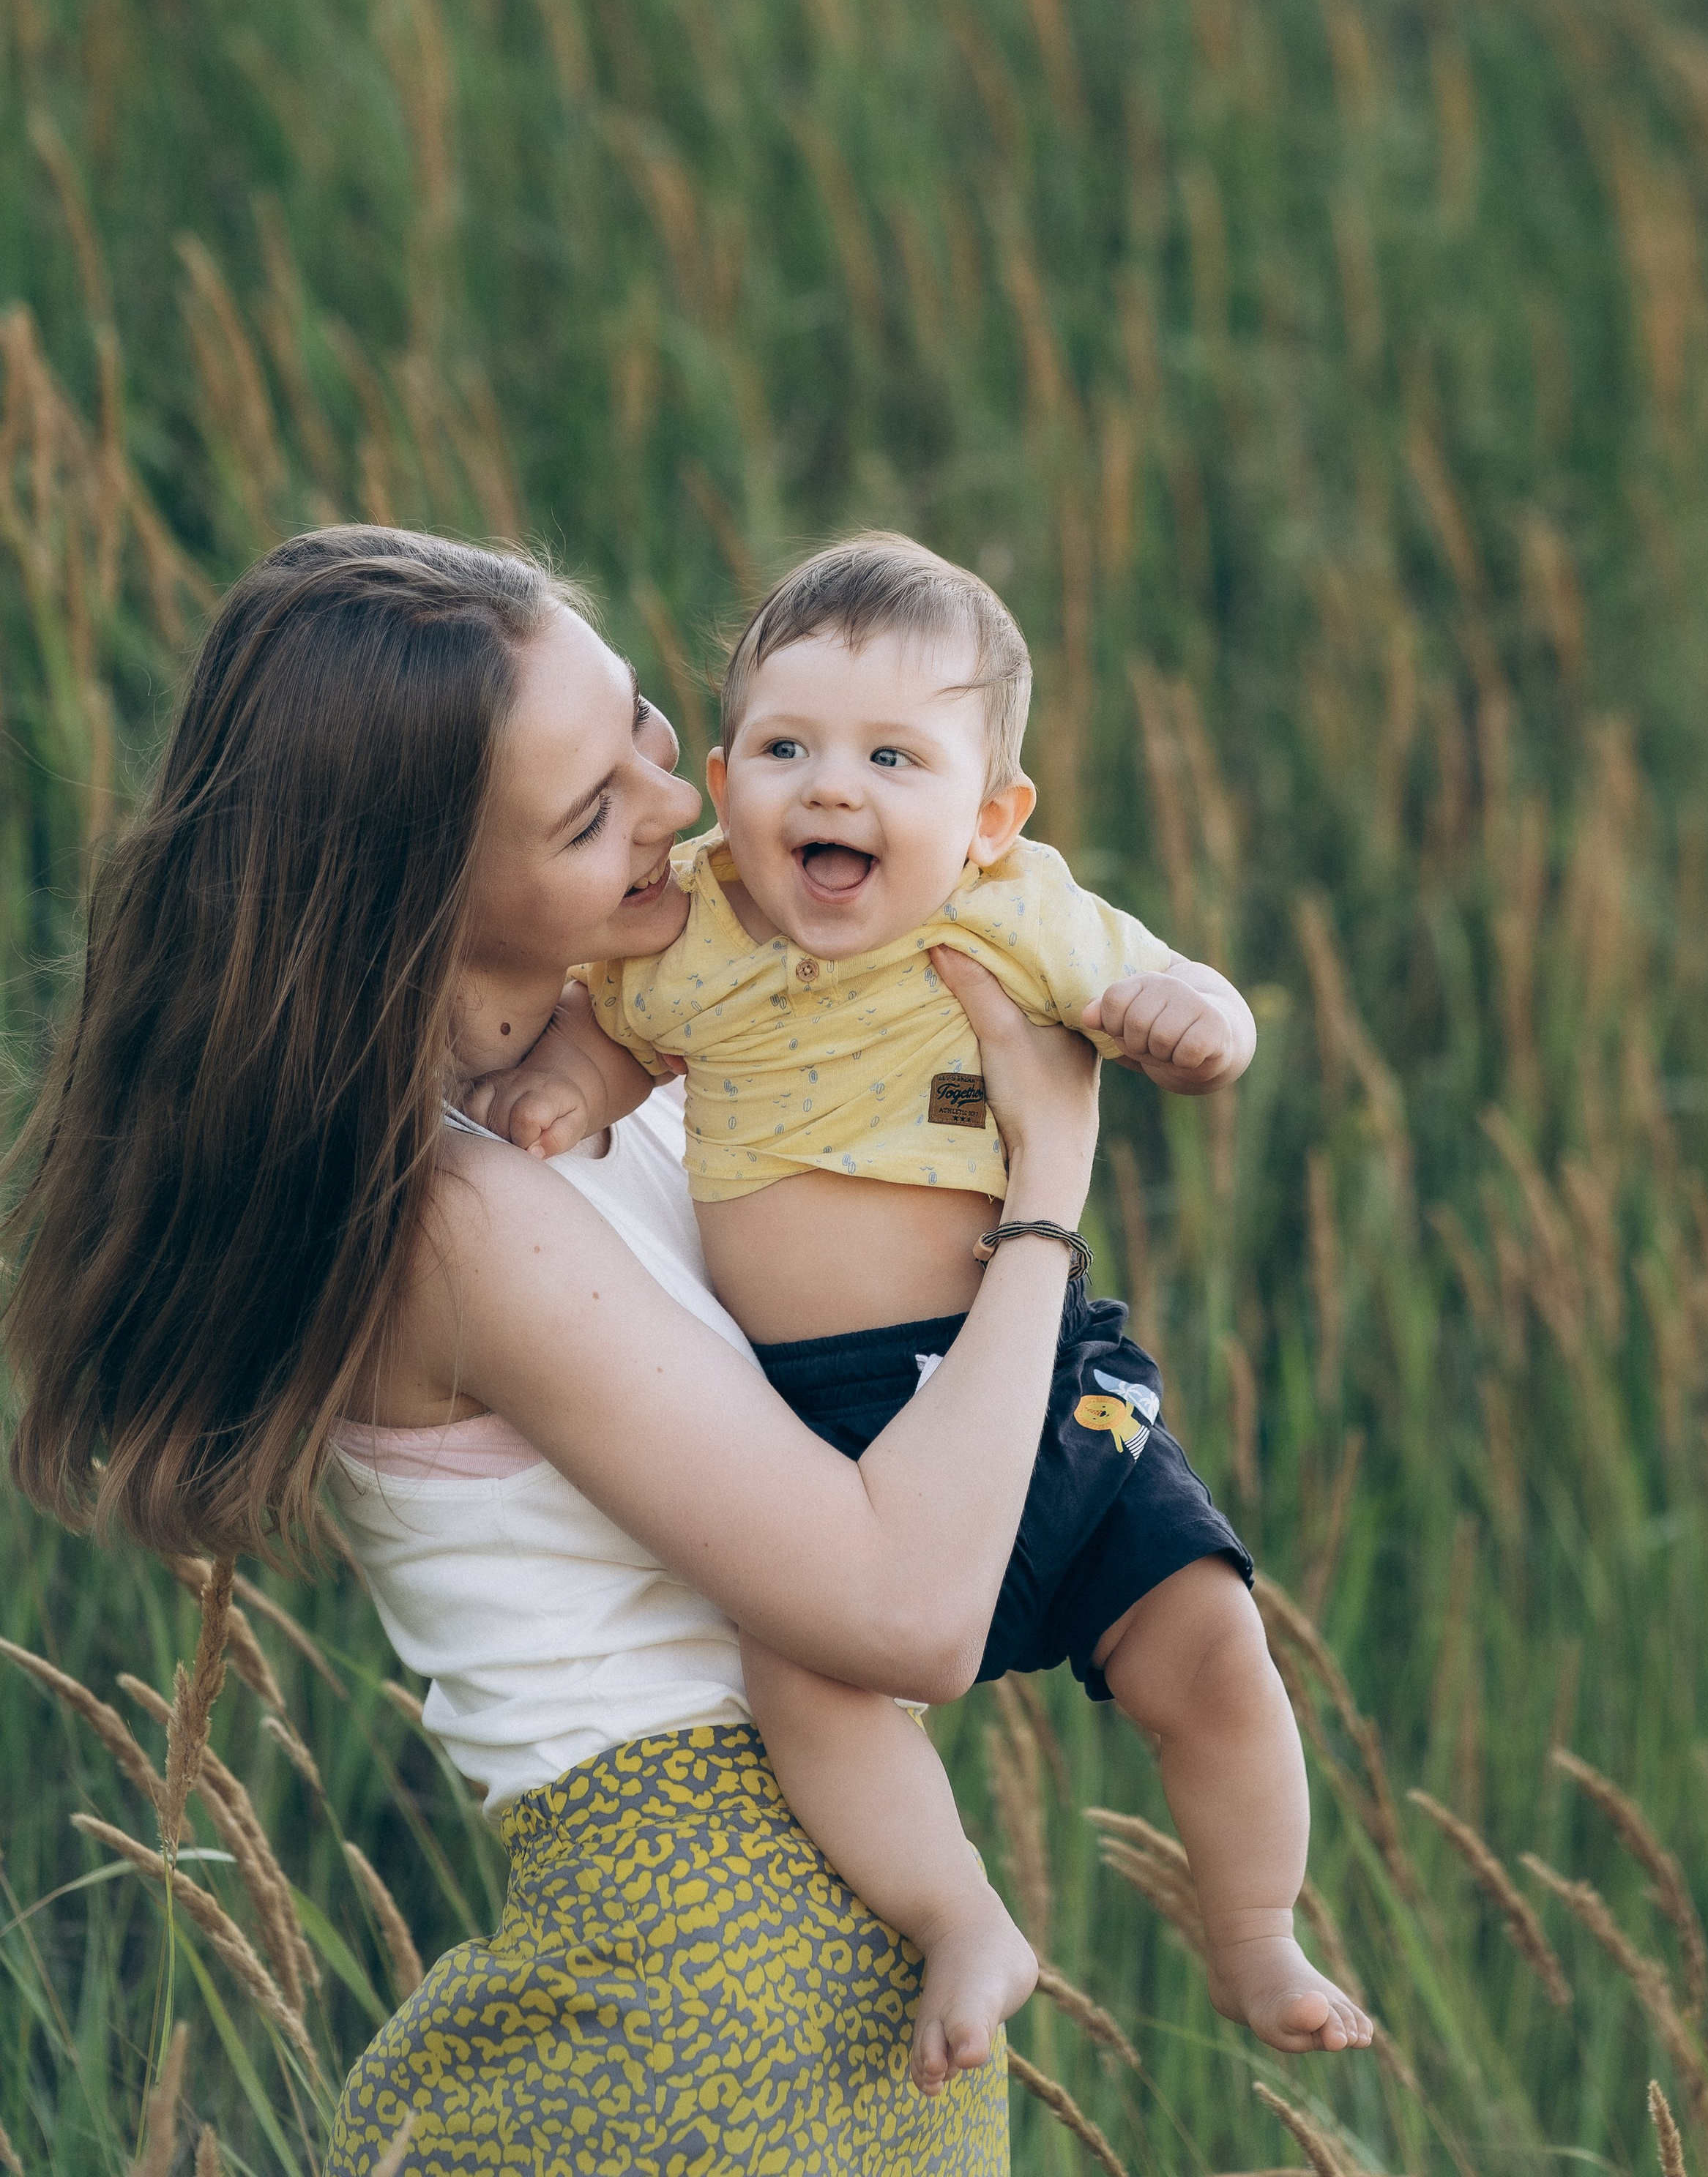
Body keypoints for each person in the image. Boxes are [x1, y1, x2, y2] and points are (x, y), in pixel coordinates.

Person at [1, 525, 1108, 2173]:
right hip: (714, 2014)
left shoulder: (639, 1064)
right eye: (590, 817)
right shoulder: (455, 1221)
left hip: (833, 1989)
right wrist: (1048, 1189)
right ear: (422, 902)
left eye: (649, 728)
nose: (678, 803)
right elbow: (909, 1614)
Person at [471, 532, 1372, 2057]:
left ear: (989, 815)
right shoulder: (693, 925)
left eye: (894, 758)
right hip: (824, 1421)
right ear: (724, 776)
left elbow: (1166, 984)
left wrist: (1195, 1021)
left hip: (1022, 1367)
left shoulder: (1009, 909)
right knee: (802, 1679)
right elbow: (617, 1033)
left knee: (1211, 1637)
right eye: (787, 750)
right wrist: (568, 1085)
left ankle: (1254, 1931)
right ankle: (959, 1915)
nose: (832, 790)